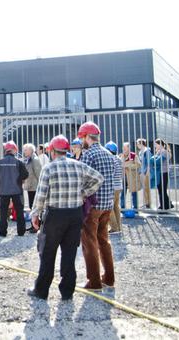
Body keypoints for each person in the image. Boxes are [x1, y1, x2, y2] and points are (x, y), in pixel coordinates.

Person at [27, 135, 103, 301]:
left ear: (52, 151)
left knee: (48, 253)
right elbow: (99, 178)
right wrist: (83, 193)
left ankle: (41, 290)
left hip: (55, 215)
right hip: (75, 214)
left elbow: (40, 196)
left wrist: (34, 214)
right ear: (66, 150)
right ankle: (67, 292)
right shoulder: (79, 166)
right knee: (69, 253)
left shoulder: (49, 168)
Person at [77, 121, 117, 291]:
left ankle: (94, 282)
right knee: (104, 241)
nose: (81, 142)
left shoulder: (88, 155)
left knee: (89, 242)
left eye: (82, 138)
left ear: (87, 136)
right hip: (107, 205)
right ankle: (109, 278)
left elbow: (82, 180)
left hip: (92, 207)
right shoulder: (110, 154)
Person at [0, 141, 29, 237]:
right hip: (17, 191)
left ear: (6, 151)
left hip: (3, 191)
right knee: (19, 211)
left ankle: (2, 232)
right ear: (14, 150)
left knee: (3, 212)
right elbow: (26, 174)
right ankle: (21, 232)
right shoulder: (18, 162)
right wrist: (19, 180)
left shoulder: (0, 163)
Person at [22, 143, 42, 233]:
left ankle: (36, 226)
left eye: (25, 150)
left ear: (31, 150)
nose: (24, 151)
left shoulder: (35, 159)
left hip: (35, 187)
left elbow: (39, 174)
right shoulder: (30, 159)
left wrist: (40, 186)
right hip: (31, 187)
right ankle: (33, 225)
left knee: (35, 207)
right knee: (31, 207)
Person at [105, 142, 123, 233]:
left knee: (109, 207)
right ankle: (119, 227)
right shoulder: (118, 158)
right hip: (119, 185)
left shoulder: (111, 159)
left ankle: (114, 227)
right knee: (116, 206)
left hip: (112, 186)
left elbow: (111, 173)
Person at [153, 139, 174, 210]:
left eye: (156, 144)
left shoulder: (164, 152)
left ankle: (163, 206)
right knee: (161, 190)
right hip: (160, 173)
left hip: (163, 173)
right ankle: (168, 204)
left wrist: (154, 159)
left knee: (162, 190)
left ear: (160, 144)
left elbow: (157, 162)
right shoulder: (159, 152)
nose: (155, 146)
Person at [121, 142, 139, 211]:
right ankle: (122, 207)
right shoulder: (121, 156)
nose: (124, 149)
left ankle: (135, 208)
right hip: (123, 177)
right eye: (123, 148)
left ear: (129, 148)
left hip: (131, 177)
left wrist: (129, 166)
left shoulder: (133, 155)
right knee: (123, 193)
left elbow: (138, 165)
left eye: (125, 148)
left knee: (134, 193)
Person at [136, 138, 152, 208]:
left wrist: (147, 172)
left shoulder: (147, 151)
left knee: (146, 188)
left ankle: (148, 203)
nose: (137, 145)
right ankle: (146, 203)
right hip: (141, 172)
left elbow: (149, 163)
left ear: (141, 144)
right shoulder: (140, 152)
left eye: (138, 143)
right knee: (144, 188)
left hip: (145, 172)